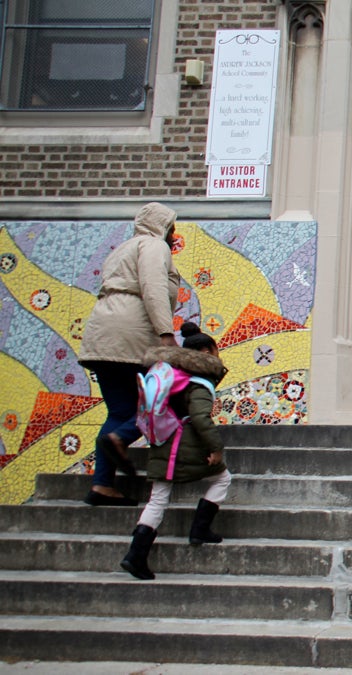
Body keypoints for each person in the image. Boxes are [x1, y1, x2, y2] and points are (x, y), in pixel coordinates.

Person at [77, 202, 182, 506]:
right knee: (162, 397)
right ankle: (121, 438)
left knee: (121, 411)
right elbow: (153, 288)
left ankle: (102, 485)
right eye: (172, 227)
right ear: (162, 226)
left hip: (102, 337)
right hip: (131, 335)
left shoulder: (123, 248)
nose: (174, 234)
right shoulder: (153, 246)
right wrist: (165, 332)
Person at [120, 322, 230, 580]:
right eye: (215, 350)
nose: (218, 355)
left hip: (164, 442)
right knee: (223, 478)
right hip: (182, 445)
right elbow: (201, 418)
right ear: (206, 351)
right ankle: (199, 529)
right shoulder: (198, 380)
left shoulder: (175, 373)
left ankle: (136, 555)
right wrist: (215, 448)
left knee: (158, 498)